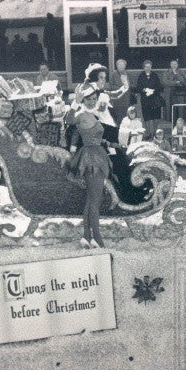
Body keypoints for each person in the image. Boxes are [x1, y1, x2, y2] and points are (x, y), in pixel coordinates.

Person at [66, 88, 113, 249]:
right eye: (88, 99)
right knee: (95, 201)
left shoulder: (94, 113)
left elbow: (99, 135)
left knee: (91, 199)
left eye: (94, 98)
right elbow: (69, 120)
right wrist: (75, 102)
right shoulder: (81, 114)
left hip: (97, 155)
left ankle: (87, 236)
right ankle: (97, 238)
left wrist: (109, 143)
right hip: (91, 159)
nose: (92, 101)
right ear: (83, 100)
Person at [135, 60, 164, 135]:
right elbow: (138, 88)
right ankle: (148, 133)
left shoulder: (155, 75)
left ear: (151, 67)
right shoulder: (141, 76)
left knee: (155, 116)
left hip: (155, 99)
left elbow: (160, 87)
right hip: (145, 99)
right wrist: (145, 89)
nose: (148, 68)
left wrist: (153, 90)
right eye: (146, 67)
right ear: (144, 67)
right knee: (147, 116)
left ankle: (155, 132)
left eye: (149, 67)